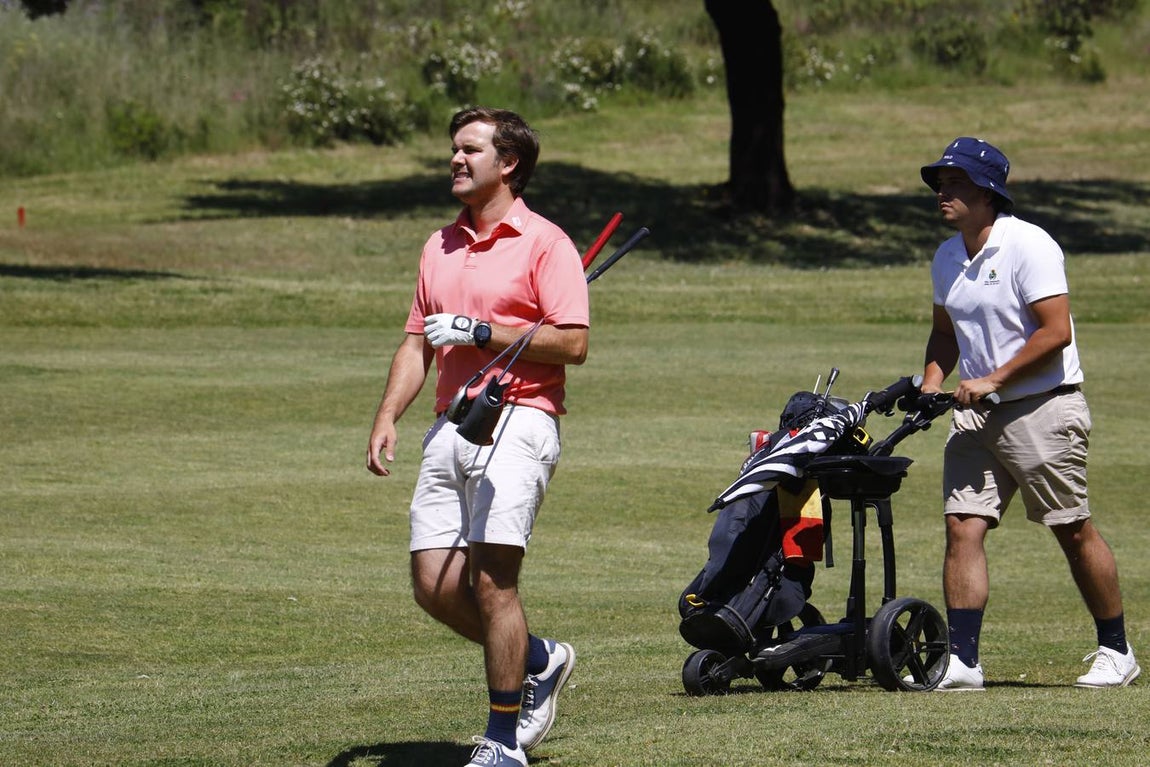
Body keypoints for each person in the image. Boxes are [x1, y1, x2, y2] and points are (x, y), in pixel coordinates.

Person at [366, 106, 587, 766]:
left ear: (508, 163)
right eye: (453, 150)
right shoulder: (439, 245)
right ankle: (539, 657)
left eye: (469, 150)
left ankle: (501, 742)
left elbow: (573, 343)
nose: (455, 159)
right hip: (453, 422)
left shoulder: (547, 243)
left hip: (521, 419)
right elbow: (414, 345)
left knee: (493, 583)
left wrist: (480, 330)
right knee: (432, 583)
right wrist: (387, 414)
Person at [917, 137, 1139, 692]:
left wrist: (993, 378)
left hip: (1042, 407)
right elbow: (946, 334)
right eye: (940, 183)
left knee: (1071, 528)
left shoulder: (1030, 245)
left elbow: (1055, 332)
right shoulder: (948, 255)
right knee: (962, 525)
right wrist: (931, 382)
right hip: (976, 414)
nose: (943, 192)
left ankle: (1117, 650)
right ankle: (964, 662)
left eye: (956, 182)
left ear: (988, 192)